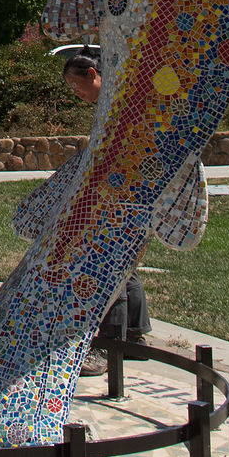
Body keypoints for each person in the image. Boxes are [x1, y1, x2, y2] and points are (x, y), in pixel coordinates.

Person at [61, 51, 152, 374]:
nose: (75, 92)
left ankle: (107, 347)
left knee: (111, 266)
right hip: (123, 192)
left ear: (92, 75)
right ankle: (135, 338)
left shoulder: (116, 103)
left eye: (76, 84)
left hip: (123, 194)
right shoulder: (114, 101)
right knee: (125, 266)